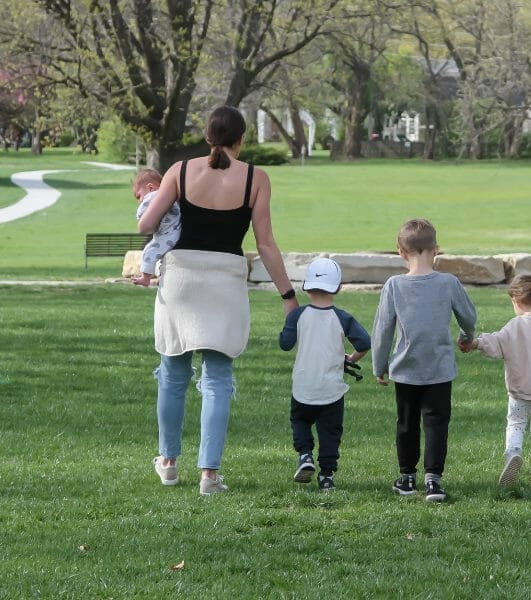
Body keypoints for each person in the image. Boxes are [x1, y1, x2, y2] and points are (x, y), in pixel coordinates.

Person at [139, 105, 299, 495]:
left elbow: (145, 224)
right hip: (225, 281)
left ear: (208, 136)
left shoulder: (179, 171)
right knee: (217, 380)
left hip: (181, 278)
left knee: (173, 375)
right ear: (241, 139)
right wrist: (288, 294)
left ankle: (169, 462)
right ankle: (209, 475)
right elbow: (265, 243)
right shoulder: (256, 178)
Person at [371, 218, 477, 502]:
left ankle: (407, 478)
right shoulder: (448, 283)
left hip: (405, 370)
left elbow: (383, 329)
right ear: (436, 249)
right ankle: (433, 481)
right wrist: (467, 335)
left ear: (401, 252)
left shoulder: (394, 285)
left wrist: (379, 366)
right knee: (436, 423)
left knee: (406, 423)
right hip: (439, 369)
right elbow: (468, 316)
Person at [459, 274, 531, 489]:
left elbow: (496, 342)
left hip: (520, 391)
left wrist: (475, 343)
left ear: (516, 300)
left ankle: (513, 453)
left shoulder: (516, 326)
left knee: (515, 424)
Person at [279, 257, 371, 492]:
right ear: (337, 288)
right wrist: (350, 359)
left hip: (303, 387)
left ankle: (305, 454)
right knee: (330, 432)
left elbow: (285, 344)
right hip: (332, 390)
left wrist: (288, 319)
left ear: (306, 287)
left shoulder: (297, 316)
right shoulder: (342, 318)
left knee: (300, 421)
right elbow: (364, 343)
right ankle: (327, 476)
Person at [131, 169, 180, 287]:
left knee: (149, 251)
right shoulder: (171, 195)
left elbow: (142, 211)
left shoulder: (154, 195)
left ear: (150, 187)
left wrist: (139, 215)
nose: (139, 201)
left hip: (169, 233)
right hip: (175, 231)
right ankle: (160, 276)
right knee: (161, 256)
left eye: (139, 196)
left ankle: (145, 278)